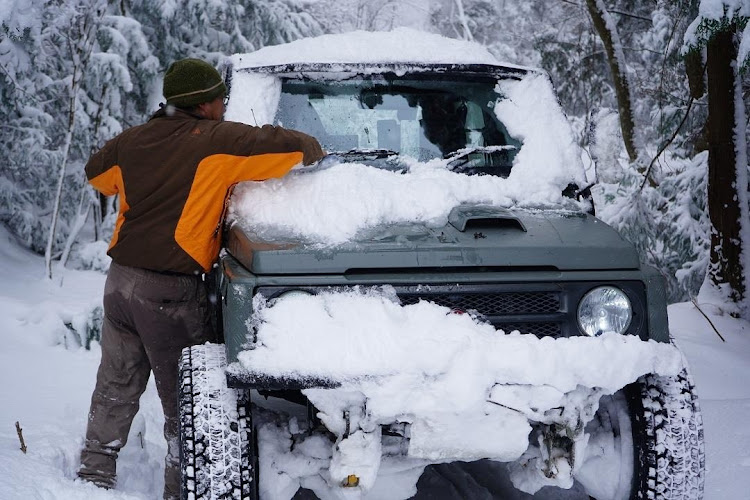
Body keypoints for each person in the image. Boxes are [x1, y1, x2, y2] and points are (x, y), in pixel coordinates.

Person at [77, 58, 324, 499]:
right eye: (221, 100)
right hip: (170, 293)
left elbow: (97, 174)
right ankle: (181, 489)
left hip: (120, 285)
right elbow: (287, 147)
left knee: (116, 383)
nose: (225, 107)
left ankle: (95, 474)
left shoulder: (132, 141)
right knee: (190, 406)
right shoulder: (215, 141)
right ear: (206, 105)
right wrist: (317, 149)